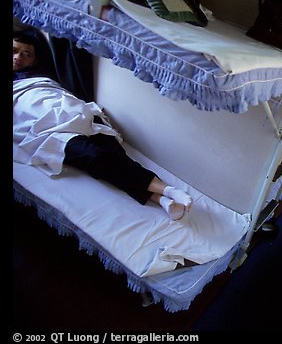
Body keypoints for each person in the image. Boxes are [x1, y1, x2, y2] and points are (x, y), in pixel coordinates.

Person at [13, 29, 193, 221]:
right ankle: (167, 190)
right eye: (15, 51)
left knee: (112, 147)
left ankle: (160, 200)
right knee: (93, 155)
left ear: (35, 60)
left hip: (68, 107)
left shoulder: (41, 74)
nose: (18, 57)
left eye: (27, 54)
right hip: (43, 124)